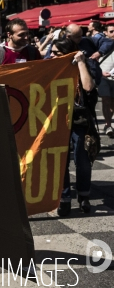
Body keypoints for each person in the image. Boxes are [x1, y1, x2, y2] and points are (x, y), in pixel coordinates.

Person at [49, 39, 96, 216]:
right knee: (60, 160)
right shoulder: (50, 66)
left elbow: (88, 87)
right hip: (57, 120)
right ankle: (64, 198)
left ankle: (84, 195)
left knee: (82, 158)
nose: (52, 55)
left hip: (79, 121)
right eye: (51, 51)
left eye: (56, 53)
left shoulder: (82, 65)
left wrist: (81, 62)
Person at [97, 25, 114, 137]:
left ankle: (108, 123)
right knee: (106, 100)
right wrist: (100, 72)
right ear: (106, 33)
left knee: (112, 103)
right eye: (111, 31)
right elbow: (92, 59)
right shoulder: (100, 44)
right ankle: (108, 124)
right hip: (103, 76)